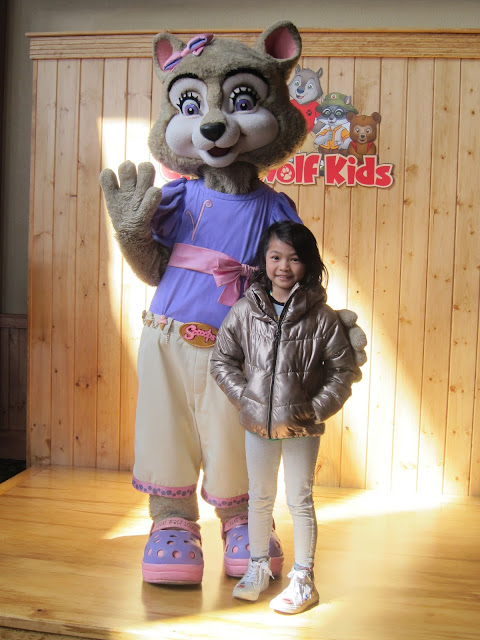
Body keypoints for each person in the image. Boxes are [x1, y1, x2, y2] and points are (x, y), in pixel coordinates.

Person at [210, 221, 357, 614]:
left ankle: (304, 579)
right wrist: (247, 400)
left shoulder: (322, 317)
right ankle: (258, 567)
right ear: (264, 260)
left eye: (294, 259)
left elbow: (343, 371)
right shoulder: (245, 311)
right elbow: (222, 360)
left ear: (307, 263)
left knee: (299, 499)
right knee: (259, 497)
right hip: (257, 425)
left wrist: (316, 409)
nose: (284, 267)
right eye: (276, 257)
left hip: (302, 428)